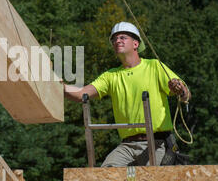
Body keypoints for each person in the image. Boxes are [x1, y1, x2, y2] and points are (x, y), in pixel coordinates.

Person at [64, 22, 191, 167]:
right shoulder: (111, 76)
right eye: (114, 39)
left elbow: (185, 94)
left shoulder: (154, 66)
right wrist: (57, 86)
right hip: (127, 145)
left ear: (136, 44)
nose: (117, 41)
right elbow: (81, 94)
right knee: (104, 177)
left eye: (122, 37)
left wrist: (180, 90)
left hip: (157, 142)